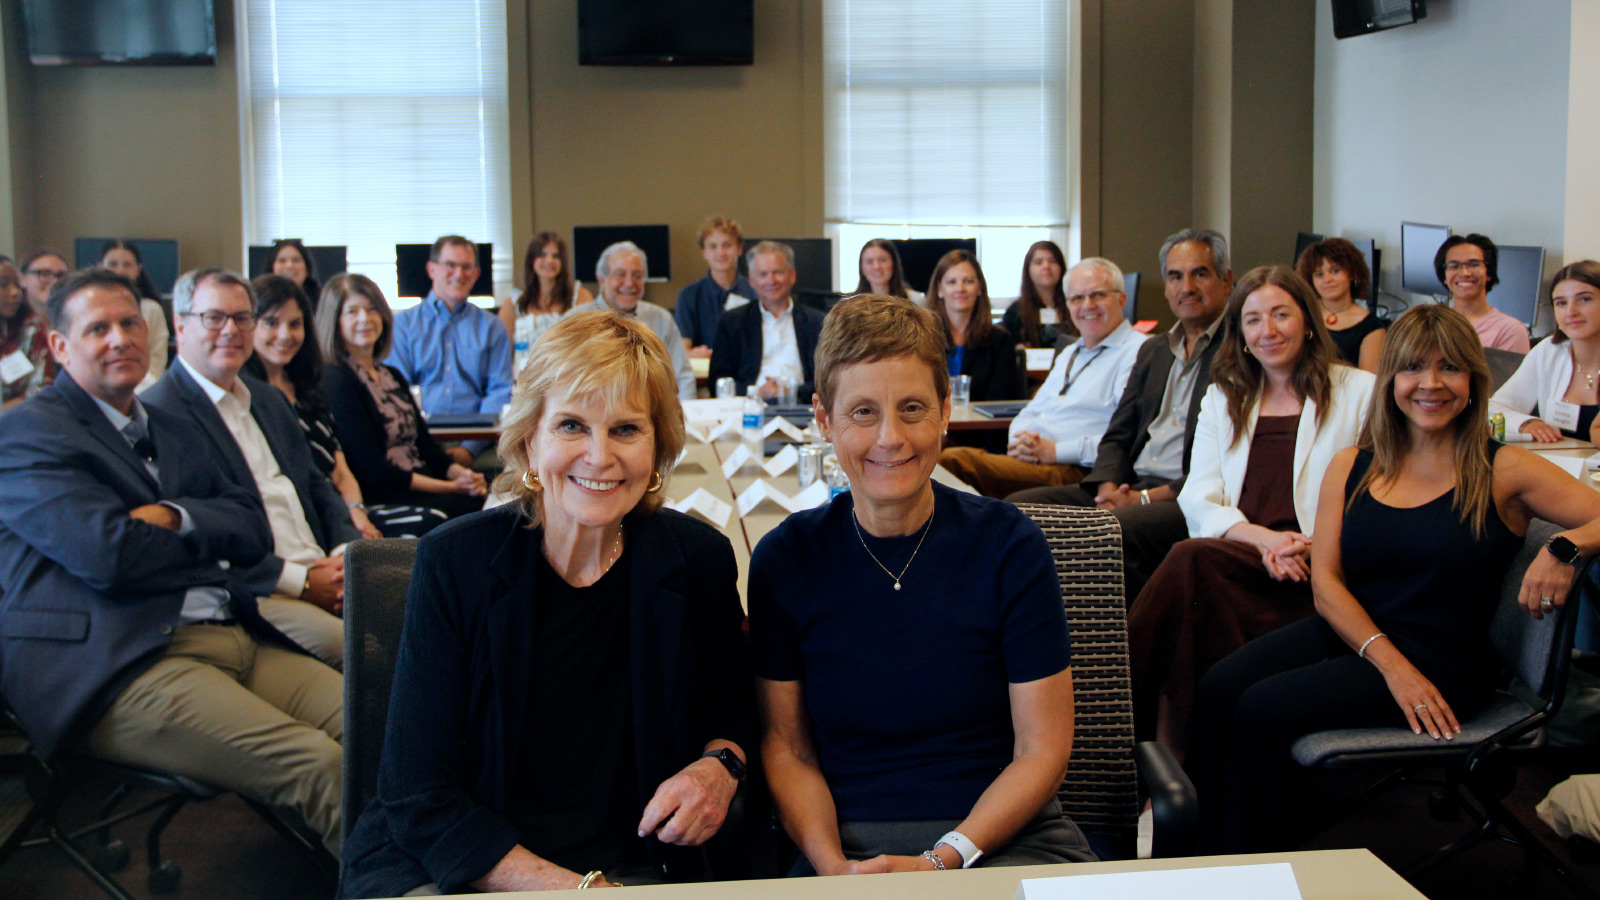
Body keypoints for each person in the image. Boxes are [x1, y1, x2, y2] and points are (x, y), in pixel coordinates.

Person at [341, 311, 755, 896]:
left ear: (659, 446)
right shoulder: (453, 564)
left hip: (635, 867)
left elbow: (731, 712)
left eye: (626, 429)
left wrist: (720, 767)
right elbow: (417, 796)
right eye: (571, 426)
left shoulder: (697, 561)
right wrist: (580, 890)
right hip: (457, 866)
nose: (599, 455)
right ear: (529, 441)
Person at [1187, 303, 1600, 853]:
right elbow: (1327, 583)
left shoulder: (1502, 467)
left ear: (1474, 382)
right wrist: (1388, 664)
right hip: (1364, 642)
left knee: (1262, 713)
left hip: (1444, 663)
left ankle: (1257, 868)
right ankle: (1198, 853)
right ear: (1391, 382)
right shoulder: (1353, 464)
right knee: (1218, 687)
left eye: (1449, 368)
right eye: (1412, 369)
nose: (1430, 384)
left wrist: (1566, 546)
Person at [749, 294, 1096, 877]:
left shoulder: (1010, 547)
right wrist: (833, 867)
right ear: (824, 418)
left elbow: (1042, 751)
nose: (891, 437)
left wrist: (942, 860)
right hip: (846, 846)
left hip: (1002, 837)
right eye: (862, 412)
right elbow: (788, 749)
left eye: (912, 407)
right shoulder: (786, 558)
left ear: (943, 411)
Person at [0, 268, 343, 853]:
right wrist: (197, 521)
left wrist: (170, 515)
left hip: (228, 632)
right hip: (122, 662)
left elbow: (248, 522)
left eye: (130, 322)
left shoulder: (167, 420)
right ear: (59, 346)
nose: (120, 339)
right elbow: (110, 555)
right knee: (322, 765)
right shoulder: (28, 434)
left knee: (383, 722)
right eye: (97, 329)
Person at [1126, 265, 1375, 749]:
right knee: (1190, 565)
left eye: (1281, 314)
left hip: (1318, 567)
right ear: (1239, 332)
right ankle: (1164, 765)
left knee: (1187, 561)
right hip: (1246, 556)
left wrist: (1303, 546)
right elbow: (1198, 495)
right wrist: (1265, 540)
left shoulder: (1359, 392)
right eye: (1254, 319)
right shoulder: (1224, 398)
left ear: (1308, 320)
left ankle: (1115, 730)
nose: (1269, 331)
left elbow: (1372, 495)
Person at [142, 268, 361, 671]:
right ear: (180, 324)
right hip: (264, 590)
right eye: (214, 317)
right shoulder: (159, 413)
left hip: (331, 569)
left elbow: (316, 484)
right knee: (372, 646)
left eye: (243, 318)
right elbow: (206, 536)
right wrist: (304, 581)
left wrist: (346, 553)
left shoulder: (267, 399)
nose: (231, 330)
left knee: (426, 604)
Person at [1006, 229, 1232, 602]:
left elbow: (1224, 462)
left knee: (1116, 528)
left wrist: (1143, 499)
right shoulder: (1156, 351)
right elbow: (1118, 435)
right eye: (1175, 276)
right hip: (1129, 483)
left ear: (1226, 281)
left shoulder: (1239, 351)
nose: (1186, 286)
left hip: (1183, 494)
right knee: (1018, 509)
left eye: (1200, 273)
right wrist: (1109, 486)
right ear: (1166, 288)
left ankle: (1122, 649)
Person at [940, 258, 1144, 498]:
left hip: (1078, 468)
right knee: (936, 458)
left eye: (1098, 295)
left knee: (952, 462)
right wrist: (1022, 440)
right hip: (1035, 458)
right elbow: (1032, 409)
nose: (1087, 305)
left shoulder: (1138, 353)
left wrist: (1055, 452)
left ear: (1121, 299)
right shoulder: (1071, 352)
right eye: (1077, 298)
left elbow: (1126, 439)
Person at [317, 273, 487, 535]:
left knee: (495, 490)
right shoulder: (337, 381)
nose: (365, 319)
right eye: (352, 312)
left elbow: (426, 446)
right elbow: (374, 471)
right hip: (386, 495)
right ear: (334, 321)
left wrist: (460, 475)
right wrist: (451, 487)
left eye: (371, 309)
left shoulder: (391, 375)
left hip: (422, 481)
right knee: (471, 512)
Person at [242, 275, 385, 539]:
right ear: (249, 325)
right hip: (291, 523)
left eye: (295, 324)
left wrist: (356, 511)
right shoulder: (242, 395)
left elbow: (341, 472)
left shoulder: (310, 389)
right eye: (272, 323)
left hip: (340, 512)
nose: (285, 335)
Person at [386, 235, 514, 463]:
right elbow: (397, 391)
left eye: (467, 267)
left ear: (476, 274)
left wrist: (469, 449)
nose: (459, 274)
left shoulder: (493, 328)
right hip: (419, 441)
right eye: (450, 265)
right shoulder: (403, 326)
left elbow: (499, 390)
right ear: (432, 269)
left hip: (478, 442)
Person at [569, 241, 696, 400]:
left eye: (637, 275)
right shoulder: (575, 321)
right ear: (602, 279)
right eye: (620, 274)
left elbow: (682, 377)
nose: (629, 283)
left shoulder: (661, 319)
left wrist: (684, 419)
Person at [1490, 260, 1600, 442]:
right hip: (1558, 465)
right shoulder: (1549, 351)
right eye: (1561, 303)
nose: (1571, 311)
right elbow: (1494, 408)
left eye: (1584, 299)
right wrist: (1525, 423)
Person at [709, 241, 824, 401]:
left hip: (803, 406)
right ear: (751, 280)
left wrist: (791, 390)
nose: (771, 281)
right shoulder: (732, 322)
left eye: (777, 272)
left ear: (792, 275)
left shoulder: (817, 322)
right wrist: (757, 391)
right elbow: (718, 382)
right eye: (763, 274)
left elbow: (828, 379)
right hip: (750, 406)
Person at [927, 249, 1018, 401]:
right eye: (951, 282)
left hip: (980, 424)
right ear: (939, 289)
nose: (960, 289)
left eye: (968, 281)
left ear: (980, 288)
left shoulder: (1001, 342)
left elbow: (1000, 400)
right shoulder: (923, 339)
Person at [497, 231, 593, 374]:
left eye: (556, 256)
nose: (549, 261)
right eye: (542, 255)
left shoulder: (579, 297)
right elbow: (499, 353)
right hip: (525, 382)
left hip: (567, 380)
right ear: (532, 260)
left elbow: (591, 345)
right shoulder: (513, 304)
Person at [1295, 237, 1385, 372]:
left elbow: (1368, 383)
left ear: (1352, 272)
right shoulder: (1302, 313)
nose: (1327, 280)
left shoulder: (1372, 327)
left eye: (1335, 271)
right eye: (1319, 274)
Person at [1435, 233, 1529, 354]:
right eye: (1454, 266)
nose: (1464, 273)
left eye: (1474, 264)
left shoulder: (1510, 331)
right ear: (1444, 276)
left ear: (1489, 273)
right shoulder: (1431, 324)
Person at [675, 216, 755, 356]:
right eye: (713, 246)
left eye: (727, 245)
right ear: (704, 253)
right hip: (705, 373)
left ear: (739, 249)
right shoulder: (689, 295)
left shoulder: (755, 292)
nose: (721, 253)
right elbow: (681, 350)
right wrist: (694, 354)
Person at [97, 240, 171, 382]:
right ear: (100, 267)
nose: (120, 271)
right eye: (112, 264)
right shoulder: (89, 308)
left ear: (138, 270)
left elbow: (157, 361)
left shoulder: (151, 309)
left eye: (127, 265)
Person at [0, 256, 52, 411]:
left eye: (17, 284)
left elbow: (41, 390)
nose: (15, 292)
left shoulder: (30, 329)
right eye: (3, 285)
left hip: (21, 422)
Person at [1002, 241, 1070, 349]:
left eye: (1052, 261)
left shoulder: (1074, 305)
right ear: (1028, 269)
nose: (1046, 266)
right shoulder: (1015, 312)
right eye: (1038, 262)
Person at [854, 239, 923, 306]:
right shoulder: (852, 303)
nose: (877, 267)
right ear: (861, 267)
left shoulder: (916, 300)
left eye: (882, 260)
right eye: (869, 261)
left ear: (894, 263)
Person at [262, 239, 321, 308]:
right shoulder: (258, 301)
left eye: (296, 260)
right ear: (271, 267)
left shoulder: (322, 301)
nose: (289, 266)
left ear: (307, 268)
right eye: (282, 261)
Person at [19, 249, 68, 320]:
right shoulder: (9, 325)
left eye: (61, 275)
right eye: (44, 273)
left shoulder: (76, 319)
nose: (55, 282)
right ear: (22, 279)